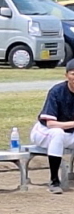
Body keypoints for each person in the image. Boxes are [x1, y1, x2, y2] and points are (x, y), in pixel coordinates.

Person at [30, 58, 74, 194]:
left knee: (60, 134)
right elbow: (50, 124)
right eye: (73, 74)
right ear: (66, 75)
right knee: (57, 133)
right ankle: (54, 180)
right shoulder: (57, 91)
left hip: (68, 134)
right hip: (44, 132)